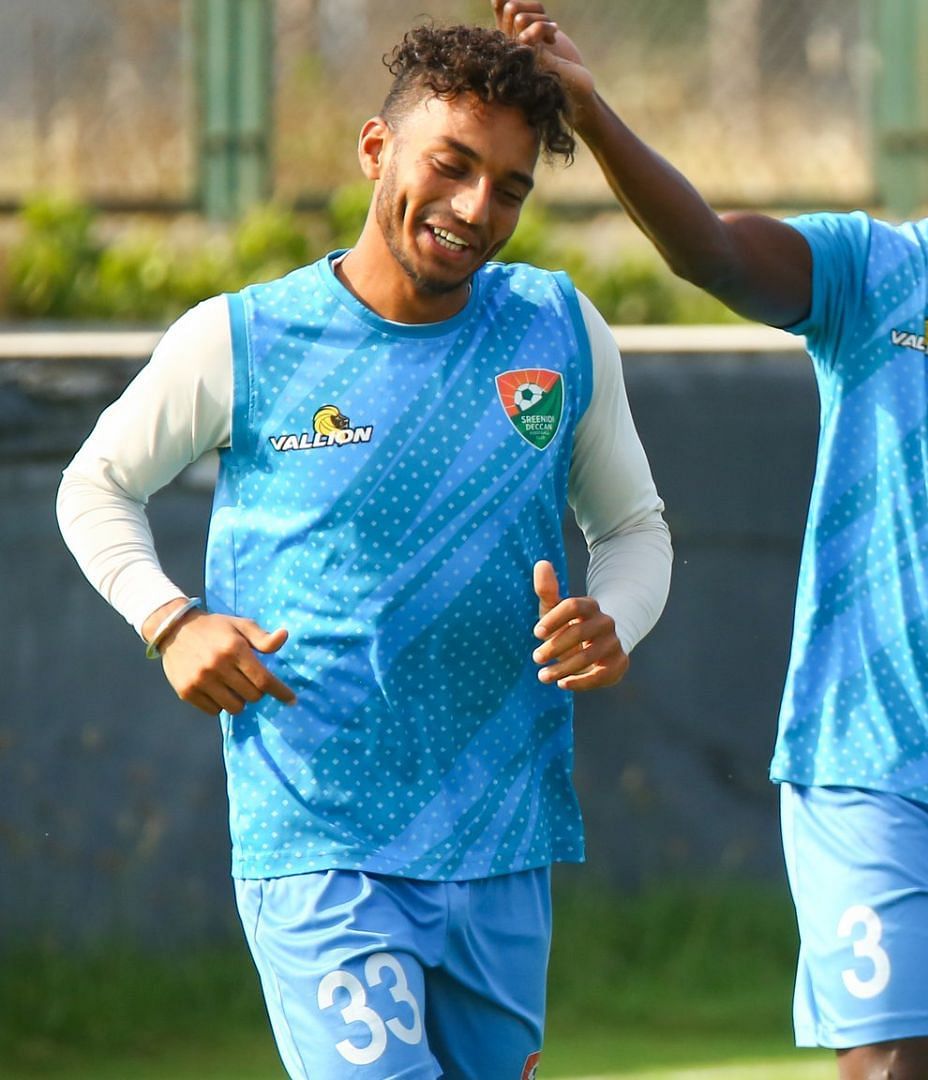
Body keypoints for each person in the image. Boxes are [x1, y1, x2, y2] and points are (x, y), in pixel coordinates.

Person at [493, 3, 928, 1076]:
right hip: (869, 765)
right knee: (888, 1065)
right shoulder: (871, 272)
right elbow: (711, 250)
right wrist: (590, 113)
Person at [54, 24, 672, 1078]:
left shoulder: (558, 328)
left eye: (510, 187)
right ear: (376, 148)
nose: (478, 209)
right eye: (453, 164)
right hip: (322, 829)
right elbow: (96, 484)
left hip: (500, 830)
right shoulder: (243, 337)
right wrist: (171, 621)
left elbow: (633, 529)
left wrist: (614, 619)